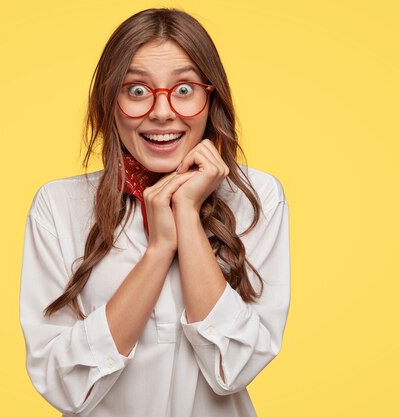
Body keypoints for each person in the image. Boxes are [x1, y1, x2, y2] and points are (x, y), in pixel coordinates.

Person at [19, 7, 290, 417]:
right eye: (137, 90)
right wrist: (160, 249)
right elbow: (64, 384)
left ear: (210, 97)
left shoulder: (256, 196)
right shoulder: (58, 206)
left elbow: (233, 369)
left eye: (184, 89)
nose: (162, 112)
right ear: (110, 102)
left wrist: (187, 209)